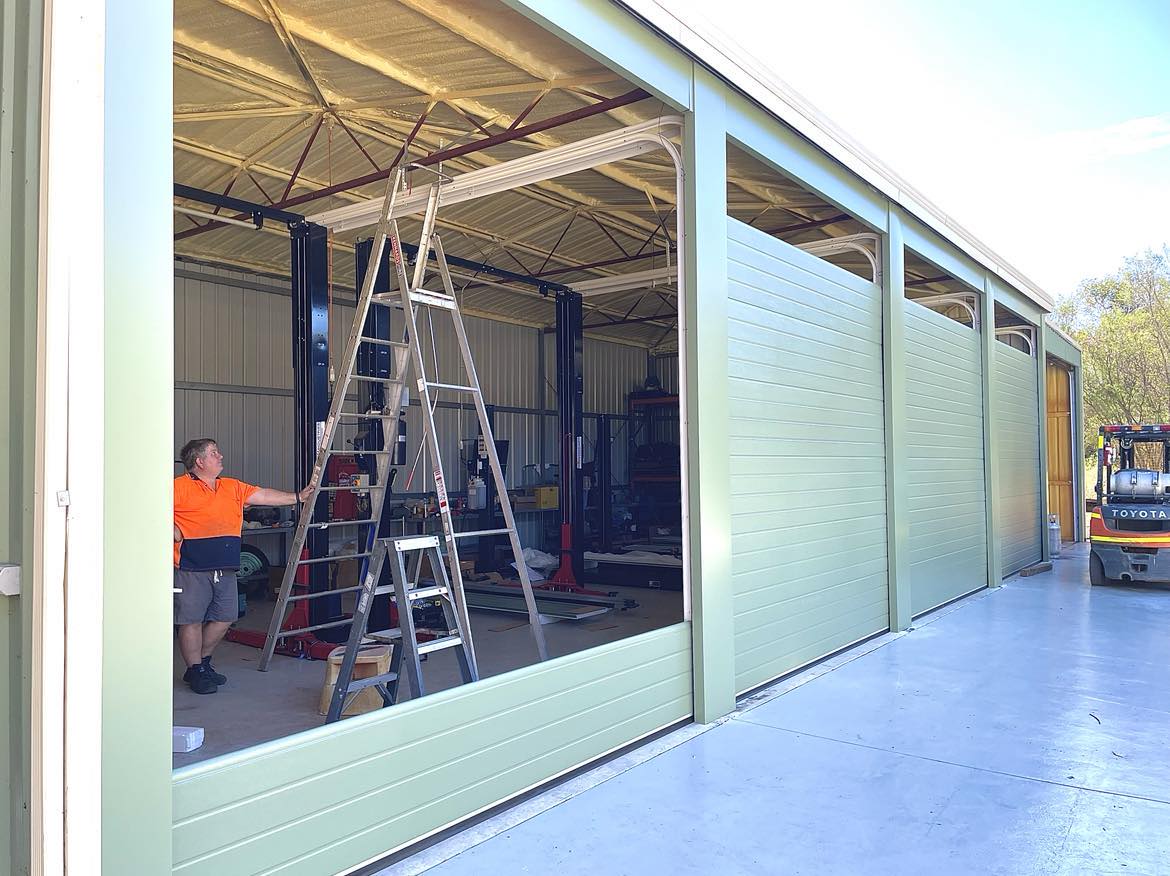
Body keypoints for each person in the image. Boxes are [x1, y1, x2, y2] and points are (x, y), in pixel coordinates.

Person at [174, 438, 311, 694]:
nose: (220, 456)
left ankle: (201, 664)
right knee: (190, 620)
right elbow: (150, 511)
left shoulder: (231, 486)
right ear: (199, 461)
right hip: (192, 567)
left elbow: (264, 495)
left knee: (226, 616)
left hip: (225, 566)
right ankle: (196, 669)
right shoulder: (178, 487)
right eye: (214, 453)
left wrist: (298, 497)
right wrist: (171, 528)